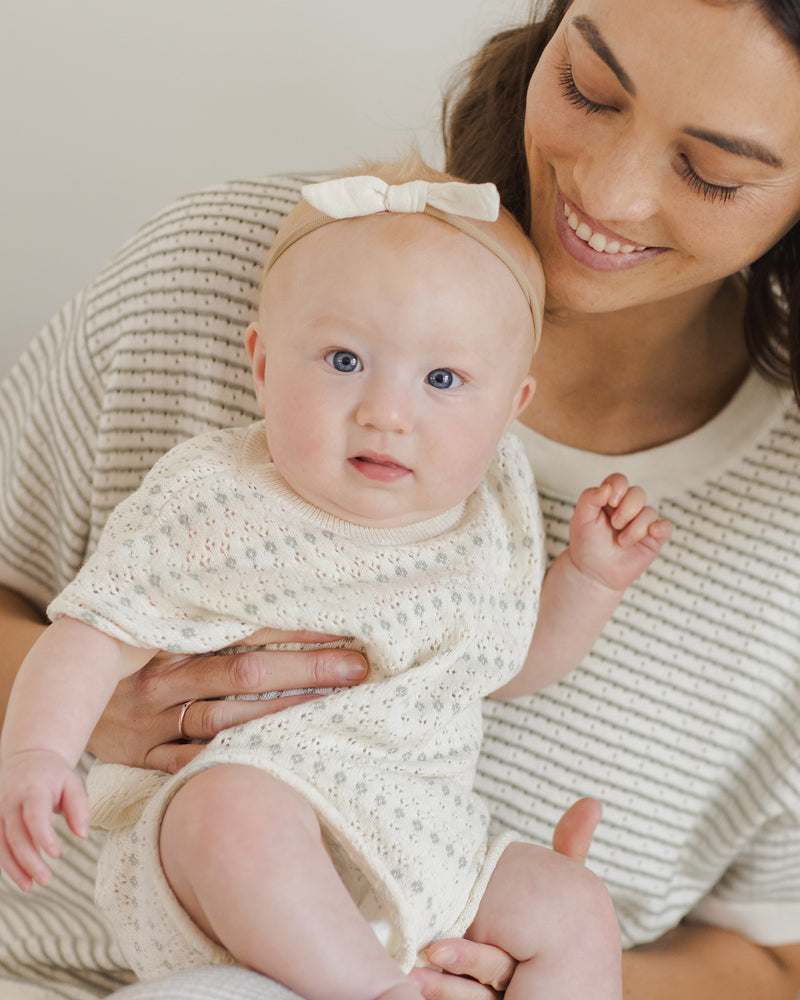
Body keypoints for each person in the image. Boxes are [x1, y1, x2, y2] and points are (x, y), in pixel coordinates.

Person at [1, 0, 800, 997]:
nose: (606, 189)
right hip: (84, 968)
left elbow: (774, 961)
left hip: (424, 866)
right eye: (586, 89)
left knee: (565, 905)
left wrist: (532, 971)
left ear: (512, 407)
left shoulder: (506, 516)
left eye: (710, 170)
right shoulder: (253, 279)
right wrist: (70, 714)